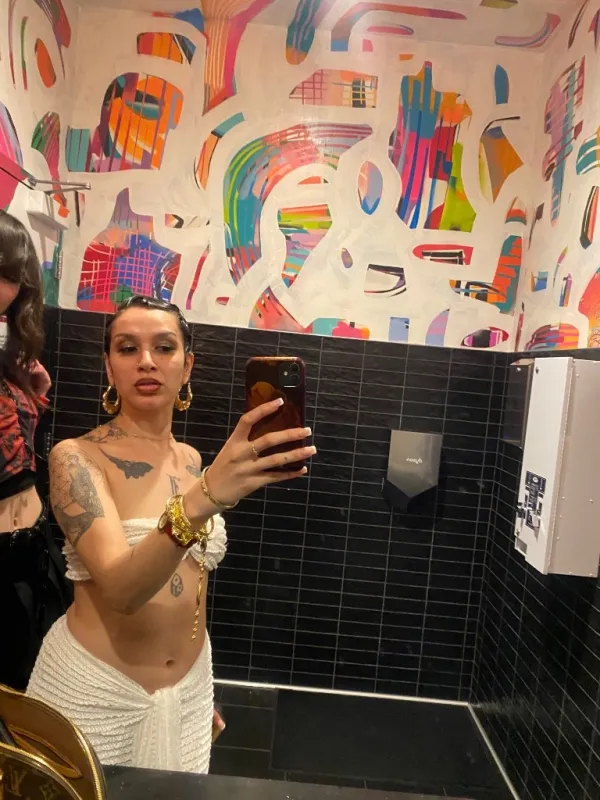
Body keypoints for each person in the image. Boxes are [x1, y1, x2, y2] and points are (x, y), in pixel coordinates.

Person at [27, 294, 316, 773]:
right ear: (109, 366)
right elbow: (123, 591)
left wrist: (196, 688)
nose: (147, 361)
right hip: (97, 694)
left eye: (164, 347)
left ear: (187, 367)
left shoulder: (192, 461)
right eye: (127, 348)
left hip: (187, 696)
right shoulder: (76, 459)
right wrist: (205, 498)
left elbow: (191, 584)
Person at [0, 211, 68, 691]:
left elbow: (15, 452)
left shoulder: (9, 356)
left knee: (29, 684)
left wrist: (35, 398)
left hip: (31, 546)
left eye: (9, 276)